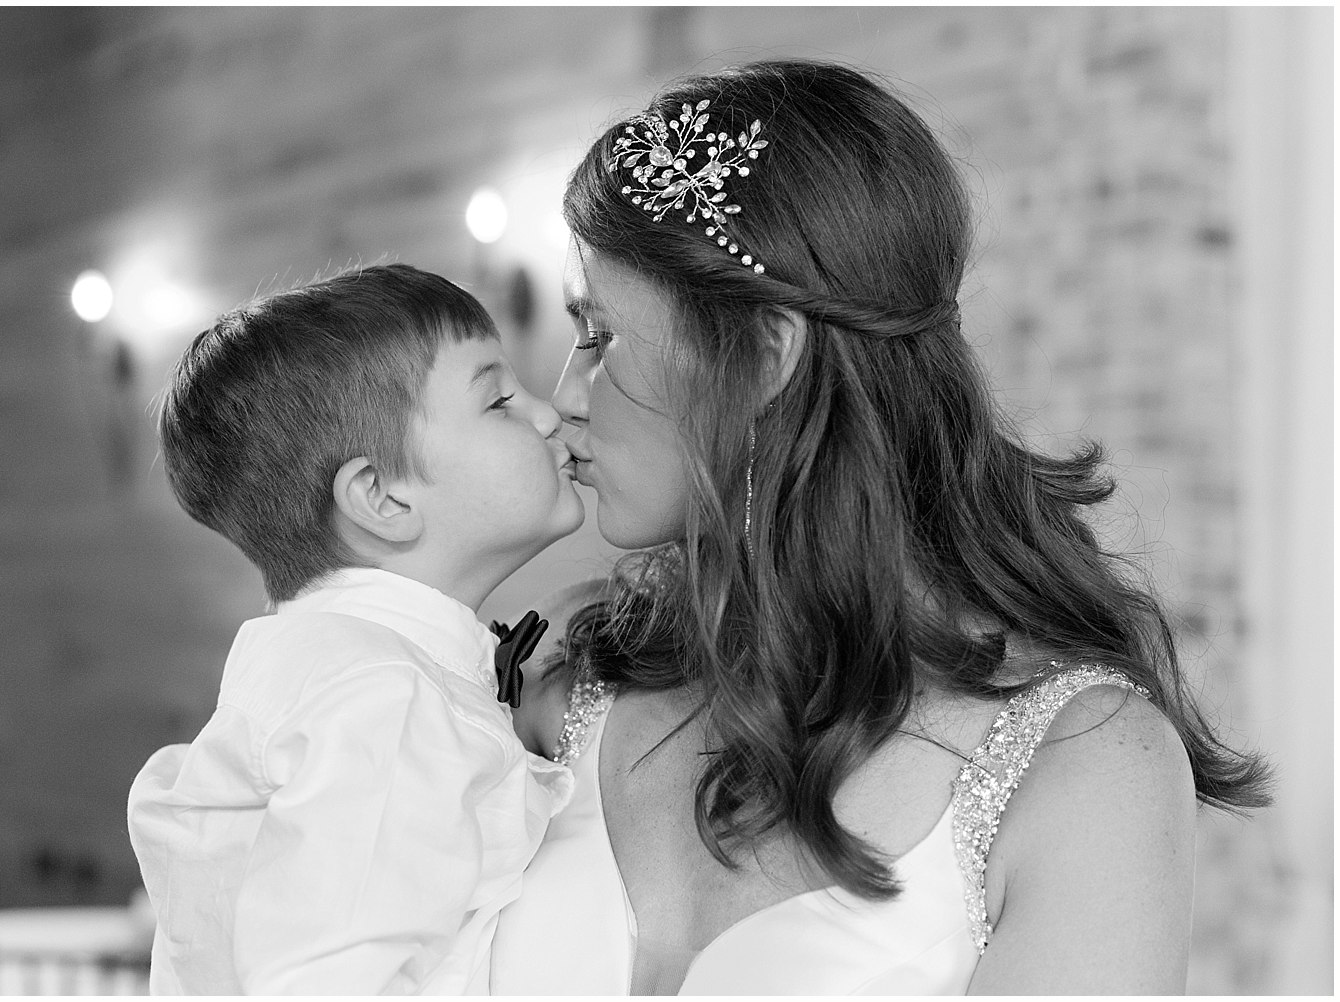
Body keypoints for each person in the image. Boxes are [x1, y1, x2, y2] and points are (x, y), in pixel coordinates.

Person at [490, 59, 1269, 995]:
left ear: (767, 356)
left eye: (604, 337)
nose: (565, 395)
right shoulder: (568, 672)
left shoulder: (1084, 768)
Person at [126, 263, 584, 993]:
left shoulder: (335, 669)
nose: (549, 414)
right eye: (499, 398)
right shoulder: (383, 697)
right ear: (381, 497)